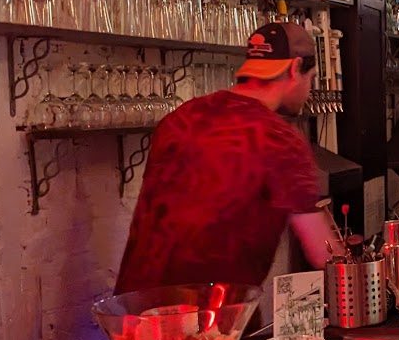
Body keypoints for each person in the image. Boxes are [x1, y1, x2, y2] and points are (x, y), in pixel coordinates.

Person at [116, 22, 342, 293]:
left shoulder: (181, 118)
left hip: (134, 307)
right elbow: (323, 253)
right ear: (295, 68)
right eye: (311, 78)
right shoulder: (278, 139)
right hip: (211, 310)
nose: (309, 90)